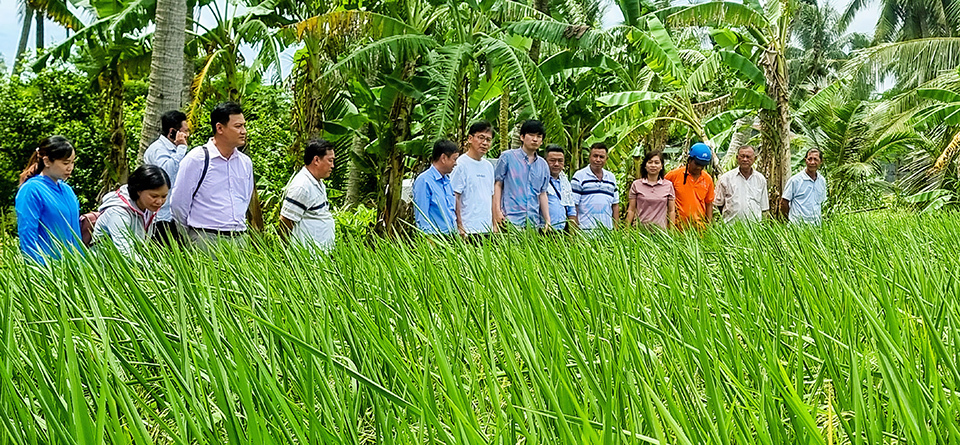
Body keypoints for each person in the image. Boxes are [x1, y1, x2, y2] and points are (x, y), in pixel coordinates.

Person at [169, 101, 253, 246]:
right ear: (219, 128)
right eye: (238, 126)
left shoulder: (245, 162)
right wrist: (191, 237)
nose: (243, 131)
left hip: (239, 239)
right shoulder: (197, 159)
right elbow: (178, 204)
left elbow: (245, 199)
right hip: (206, 239)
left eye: (244, 126)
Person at [15, 136, 82, 263]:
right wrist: (39, 267)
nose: (70, 168)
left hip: (76, 266)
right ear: (47, 161)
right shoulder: (31, 190)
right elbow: (27, 234)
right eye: (65, 163)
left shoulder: (67, 190)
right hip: (50, 268)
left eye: (72, 162)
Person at [92, 165, 170, 258]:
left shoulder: (147, 208)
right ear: (139, 191)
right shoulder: (117, 212)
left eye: (164, 196)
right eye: (154, 196)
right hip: (103, 264)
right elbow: (125, 252)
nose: (159, 202)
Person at [279, 139, 336, 252]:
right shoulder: (302, 187)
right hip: (307, 254)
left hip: (320, 253)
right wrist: (284, 249)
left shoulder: (317, 182)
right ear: (316, 160)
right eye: (330, 161)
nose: (332, 166)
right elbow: (286, 220)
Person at [493, 120, 551, 230]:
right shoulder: (507, 157)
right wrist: (497, 212)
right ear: (522, 137)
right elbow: (498, 185)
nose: (535, 139)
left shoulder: (543, 165)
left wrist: (547, 220)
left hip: (533, 223)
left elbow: (542, 193)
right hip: (510, 220)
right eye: (531, 135)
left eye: (539, 136)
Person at [143, 110, 190, 243]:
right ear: (172, 132)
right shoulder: (157, 149)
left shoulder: (176, 149)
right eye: (185, 131)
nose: (187, 135)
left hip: (175, 216)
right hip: (161, 217)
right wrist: (181, 148)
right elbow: (166, 173)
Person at [451, 121, 495, 237]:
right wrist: (460, 225)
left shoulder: (489, 166)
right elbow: (455, 196)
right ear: (470, 138)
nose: (484, 143)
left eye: (488, 140)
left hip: (487, 229)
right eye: (481, 138)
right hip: (468, 229)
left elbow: (491, 197)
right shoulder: (460, 164)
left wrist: (494, 225)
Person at [413, 139, 459, 235]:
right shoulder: (424, 181)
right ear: (443, 158)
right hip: (436, 237)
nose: (455, 163)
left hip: (451, 236)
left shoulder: (447, 181)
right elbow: (422, 215)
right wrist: (429, 238)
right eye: (454, 159)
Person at [664, 142, 715, 228]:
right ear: (689, 160)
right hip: (677, 228)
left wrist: (709, 225)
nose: (699, 167)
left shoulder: (707, 179)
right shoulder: (673, 176)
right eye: (697, 164)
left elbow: (709, 203)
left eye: (702, 165)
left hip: (699, 228)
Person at [714, 145, 769, 223]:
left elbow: (764, 208)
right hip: (731, 227)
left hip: (755, 228)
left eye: (748, 157)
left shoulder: (760, 179)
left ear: (755, 159)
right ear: (737, 158)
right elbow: (718, 205)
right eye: (742, 156)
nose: (745, 159)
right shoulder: (726, 179)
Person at [572, 143, 619, 231]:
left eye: (601, 157)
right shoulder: (579, 176)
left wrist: (616, 228)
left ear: (606, 159)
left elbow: (615, 205)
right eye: (595, 156)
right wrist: (576, 229)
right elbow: (574, 206)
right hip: (586, 230)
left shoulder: (611, 178)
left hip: (607, 231)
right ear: (589, 157)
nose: (598, 160)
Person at [626, 151, 675, 229]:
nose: (653, 165)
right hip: (641, 231)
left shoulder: (668, 185)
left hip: (661, 232)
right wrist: (627, 230)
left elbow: (671, 210)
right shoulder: (636, 184)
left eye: (657, 163)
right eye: (650, 162)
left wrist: (672, 231)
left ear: (661, 166)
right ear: (645, 165)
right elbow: (631, 209)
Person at [781, 148, 827, 224]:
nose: (812, 162)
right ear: (805, 160)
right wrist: (787, 220)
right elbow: (784, 202)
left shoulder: (821, 181)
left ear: (821, 161)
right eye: (809, 159)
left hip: (816, 226)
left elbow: (820, 203)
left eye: (815, 159)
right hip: (797, 226)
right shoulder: (795, 180)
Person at [543, 144, 577, 231]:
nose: (556, 164)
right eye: (552, 160)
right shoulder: (540, 180)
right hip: (544, 230)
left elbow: (571, 209)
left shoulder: (565, 182)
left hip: (562, 232)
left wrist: (572, 233)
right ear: (544, 161)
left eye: (560, 161)